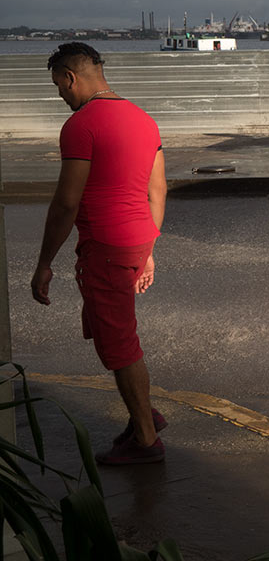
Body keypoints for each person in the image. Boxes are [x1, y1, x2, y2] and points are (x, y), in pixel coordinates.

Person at [31, 42, 168, 465]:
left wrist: (44, 264)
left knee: (119, 345)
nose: (61, 97)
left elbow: (66, 202)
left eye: (59, 87)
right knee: (114, 332)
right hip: (135, 239)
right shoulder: (143, 119)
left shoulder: (82, 125)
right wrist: (148, 247)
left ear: (71, 77)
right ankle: (145, 415)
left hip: (106, 247)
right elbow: (156, 189)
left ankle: (146, 441)